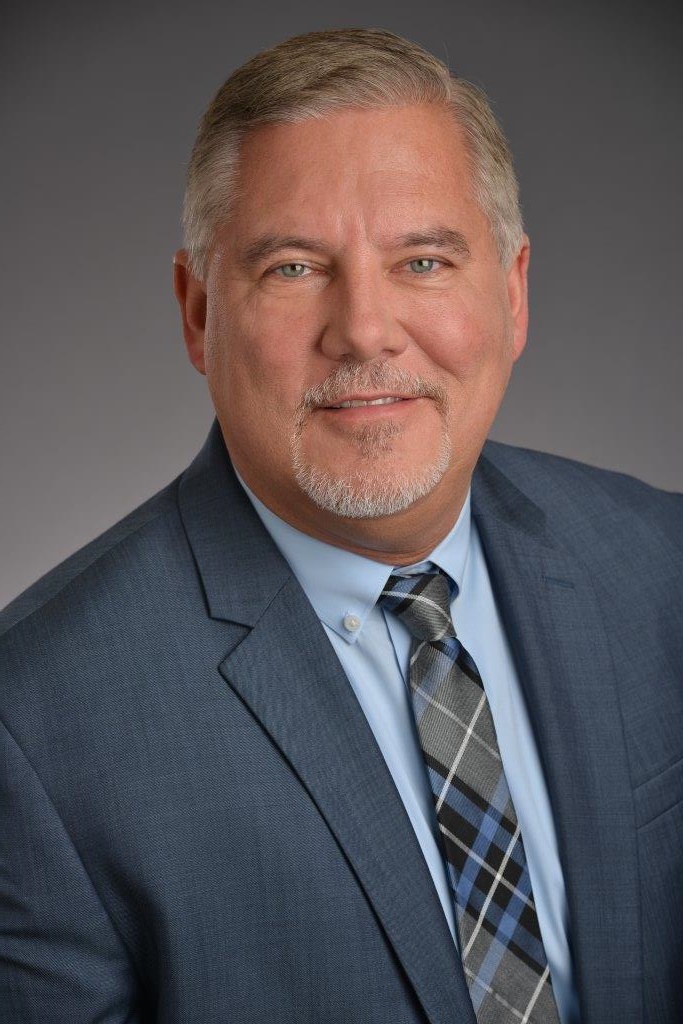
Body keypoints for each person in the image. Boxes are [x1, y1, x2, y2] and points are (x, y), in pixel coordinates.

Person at [0, 27, 681, 1024]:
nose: (363, 328)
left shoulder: (658, 569)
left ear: (512, 293)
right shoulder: (36, 726)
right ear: (196, 313)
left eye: (421, 260)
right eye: (290, 267)